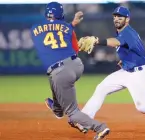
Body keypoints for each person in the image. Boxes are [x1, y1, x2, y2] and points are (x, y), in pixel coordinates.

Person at [80, 6, 145, 134]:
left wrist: (97, 40)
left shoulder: (128, 32)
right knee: (101, 88)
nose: (117, 19)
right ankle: (85, 121)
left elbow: (115, 42)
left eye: (120, 17)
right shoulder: (121, 33)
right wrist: (125, 60)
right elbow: (128, 48)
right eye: (115, 16)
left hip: (140, 74)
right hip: (126, 71)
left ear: (127, 19)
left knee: (142, 106)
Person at [31, 2, 110, 139]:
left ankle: (100, 128)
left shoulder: (34, 28)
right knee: (54, 77)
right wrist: (72, 24)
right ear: (60, 14)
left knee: (72, 112)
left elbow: (49, 34)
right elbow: (74, 47)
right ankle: (57, 108)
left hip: (60, 72)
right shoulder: (67, 27)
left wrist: (70, 24)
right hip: (76, 65)